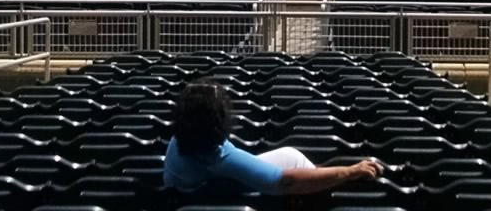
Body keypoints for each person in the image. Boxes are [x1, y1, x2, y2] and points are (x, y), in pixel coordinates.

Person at [162, 81, 381, 198]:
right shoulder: (219, 157)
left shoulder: (177, 142)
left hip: (206, 189)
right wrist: (349, 171)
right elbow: (285, 182)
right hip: (247, 194)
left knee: (290, 157)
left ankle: (321, 172)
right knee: (296, 165)